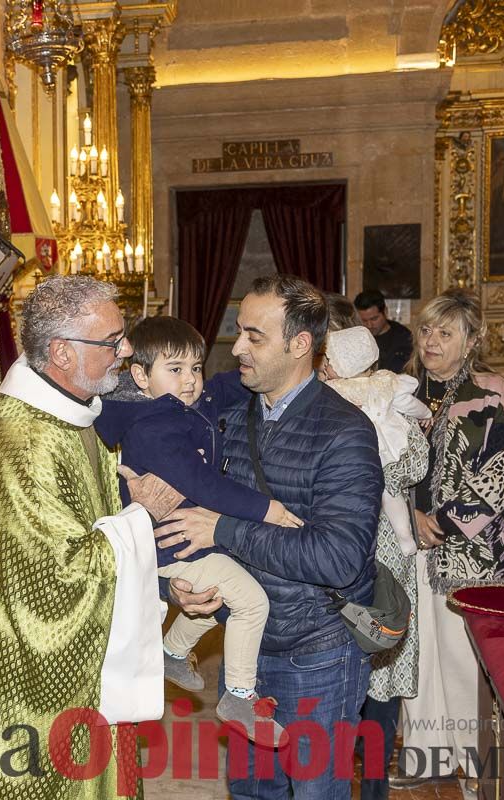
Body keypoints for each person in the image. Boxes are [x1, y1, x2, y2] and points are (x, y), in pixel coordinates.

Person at [156, 275, 384, 800]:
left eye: (254, 336)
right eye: (239, 331)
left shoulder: (345, 432)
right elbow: (196, 526)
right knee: (252, 792)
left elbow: (340, 557)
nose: (236, 348)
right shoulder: (229, 421)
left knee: (314, 793)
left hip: (318, 656)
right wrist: (186, 588)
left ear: (300, 344)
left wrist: (226, 528)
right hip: (247, 655)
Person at [0, 276, 157, 799]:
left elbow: (94, 529)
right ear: (60, 352)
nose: (125, 351)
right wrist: (143, 519)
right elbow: (60, 580)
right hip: (25, 690)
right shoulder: (24, 443)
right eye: (111, 341)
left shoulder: (71, 416)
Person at [95, 316, 299, 746]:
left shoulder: (189, 400)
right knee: (251, 603)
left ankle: (170, 652)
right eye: (175, 369)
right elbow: (202, 484)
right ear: (140, 376)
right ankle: (240, 696)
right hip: (169, 546)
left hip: (190, 538)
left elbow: (227, 385)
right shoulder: (152, 429)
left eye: (195, 367)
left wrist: (266, 365)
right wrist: (268, 510)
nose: (190, 381)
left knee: (216, 597)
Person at [401, 289, 504, 797]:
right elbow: (386, 466)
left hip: (466, 551)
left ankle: (474, 762)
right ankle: (426, 759)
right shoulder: (400, 392)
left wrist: (443, 524)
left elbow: (503, 474)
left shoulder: (489, 392)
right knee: (417, 654)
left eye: (444, 333)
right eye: (427, 330)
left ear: (470, 341)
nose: (431, 341)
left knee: (460, 657)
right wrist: (410, 514)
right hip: (410, 542)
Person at [317, 330, 429, 800]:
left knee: (365, 671)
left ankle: (359, 784)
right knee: (362, 670)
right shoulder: (381, 401)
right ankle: (359, 783)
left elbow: (413, 464)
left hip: (367, 554)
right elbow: (413, 466)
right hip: (364, 555)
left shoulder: (338, 406)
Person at [321, 326, 431, 556]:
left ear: (345, 364)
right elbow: (408, 403)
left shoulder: (333, 389)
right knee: (390, 493)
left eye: (329, 360)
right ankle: (405, 537)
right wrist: (426, 414)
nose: (324, 365)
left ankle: (403, 537)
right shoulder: (384, 382)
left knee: (384, 490)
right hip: (389, 446)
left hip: (365, 450)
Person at [354, 289, 413, 373]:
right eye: (364, 320)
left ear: (385, 311)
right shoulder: (356, 338)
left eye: (374, 319)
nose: (369, 325)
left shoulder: (404, 338)